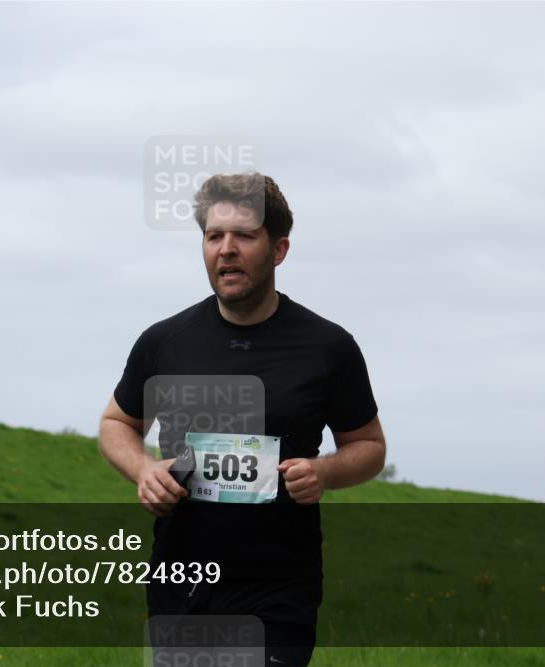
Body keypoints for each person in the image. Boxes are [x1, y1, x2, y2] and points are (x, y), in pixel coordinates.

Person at [98, 172, 386, 666]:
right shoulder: (165, 342)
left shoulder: (328, 348)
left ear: (279, 249)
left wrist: (325, 471)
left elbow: (369, 446)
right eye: (214, 237)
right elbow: (116, 424)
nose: (226, 249)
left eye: (244, 236)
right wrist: (144, 471)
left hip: (277, 589)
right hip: (182, 583)